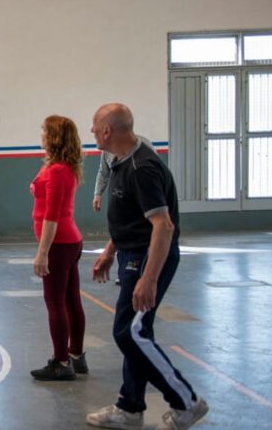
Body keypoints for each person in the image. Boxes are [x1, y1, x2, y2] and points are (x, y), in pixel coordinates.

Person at [86, 104, 208, 430]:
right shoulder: (119, 162)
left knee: (130, 333)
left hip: (148, 258)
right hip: (132, 255)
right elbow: (132, 218)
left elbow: (163, 226)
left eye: (95, 127)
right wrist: (111, 249)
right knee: (137, 334)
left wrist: (149, 278)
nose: (92, 132)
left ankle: (186, 402)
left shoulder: (143, 167)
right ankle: (130, 408)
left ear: (109, 130)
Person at [29, 116, 86, 381]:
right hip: (70, 241)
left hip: (59, 244)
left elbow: (51, 217)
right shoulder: (64, 167)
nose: (41, 134)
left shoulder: (56, 171)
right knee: (71, 300)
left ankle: (62, 362)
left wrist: (42, 253)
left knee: (55, 302)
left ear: (53, 137)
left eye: (44, 131)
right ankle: (75, 355)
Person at [93, 134, 154, 285]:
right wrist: (97, 194)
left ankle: (147, 271)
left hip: (137, 201)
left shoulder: (143, 147)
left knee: (137, 236)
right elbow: (103, 172)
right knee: (120, 234)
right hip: (118, 198)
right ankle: (124, 271)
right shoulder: (107, 150)